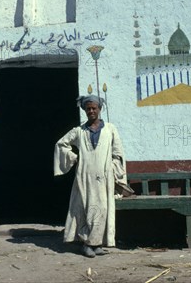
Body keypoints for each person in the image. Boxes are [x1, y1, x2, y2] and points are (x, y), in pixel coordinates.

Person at [54, 95, 128, 258]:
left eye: (94, 108)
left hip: (104, 177)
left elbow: (118, 152)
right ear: (85, 110)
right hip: (84, 177)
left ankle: (97, 243)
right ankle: (86, 244)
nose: (91, 111)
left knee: (102, 209)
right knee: (86, 208)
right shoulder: (79, 131)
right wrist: (74, 157)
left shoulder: (110, 129)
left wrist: (114, 170)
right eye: (88, 108)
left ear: (100, 109)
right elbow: (61, 144)